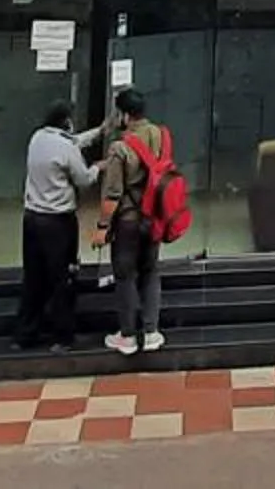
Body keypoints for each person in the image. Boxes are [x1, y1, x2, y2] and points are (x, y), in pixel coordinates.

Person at [15, 100, 105, 351]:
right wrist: (98, 167)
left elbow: (73, 141)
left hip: (32, 218)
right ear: (66, 121)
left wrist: (99, 131)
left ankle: (25, 334)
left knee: (33, 277)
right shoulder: (65, 148)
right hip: (57, 222)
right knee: (62, 279)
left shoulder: (38, 138)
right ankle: (63, 336)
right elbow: (84, 179)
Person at [92, 88, 170, 356]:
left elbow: (112, 194)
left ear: (125, 115)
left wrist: (102, 227)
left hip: (128, 221)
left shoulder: (120, 147)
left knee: (125, 276)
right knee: (150, 272)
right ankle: (151, 332)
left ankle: (127, 335)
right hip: (154, 218)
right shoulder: (160, 135)